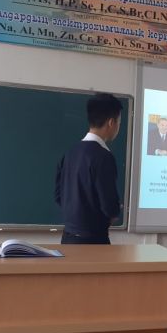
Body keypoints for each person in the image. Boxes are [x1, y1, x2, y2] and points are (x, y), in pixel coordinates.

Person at [55, 93, 122, 244]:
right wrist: (115, 210)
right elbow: (109, 208)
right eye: (119, 122)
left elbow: (58, 196)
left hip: (68, 240)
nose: (118, 127)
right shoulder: (104, 156)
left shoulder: (69, 153)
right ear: (111, 122)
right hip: (94, 242)